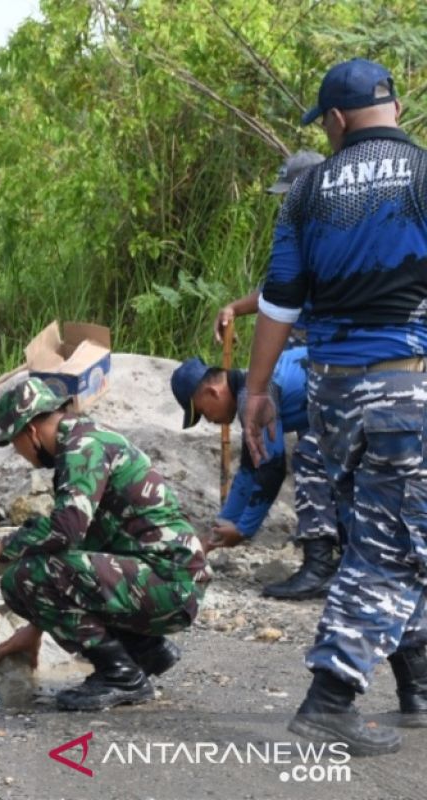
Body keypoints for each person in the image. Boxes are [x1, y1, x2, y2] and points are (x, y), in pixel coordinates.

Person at [243, 58, 427, 756]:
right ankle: (331, 698)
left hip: (331, 394)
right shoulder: (422, 175)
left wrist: (257, 392)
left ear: (337, 120)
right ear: (396, 109)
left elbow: (279, 302)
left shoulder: (310, 188)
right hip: (406, 386)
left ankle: (419, 678)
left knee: (377, 534)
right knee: (394, 549)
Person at [0, 378, 210, 711]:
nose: (19, 453)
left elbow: (66, 531)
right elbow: (79, 548)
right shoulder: (84, 439)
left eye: (14, 443)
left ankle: (121, 674)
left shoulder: (82, 448)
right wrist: (36, 629)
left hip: (169, 582)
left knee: (22, 577)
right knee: (37, 572)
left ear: (29, 432)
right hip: (169, 580)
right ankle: (144, 650)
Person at [170, 348, 340, 599]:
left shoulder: (252, 395)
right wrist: (220, 528)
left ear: (212, 392)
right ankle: (349, 562)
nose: (209, 420)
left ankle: (320, 568)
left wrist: (243, 530)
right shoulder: (249, 389)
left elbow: (271, 470)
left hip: (355, 393)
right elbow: (250, 469)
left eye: (203, 412)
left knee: (309, 456)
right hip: (346, 397)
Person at [212, 150, 327, 346]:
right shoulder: (297, 236)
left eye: (290, 196)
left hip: (317, 348)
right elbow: (279, 288)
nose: (285, 204)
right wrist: (234, 308)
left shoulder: (333, 240)